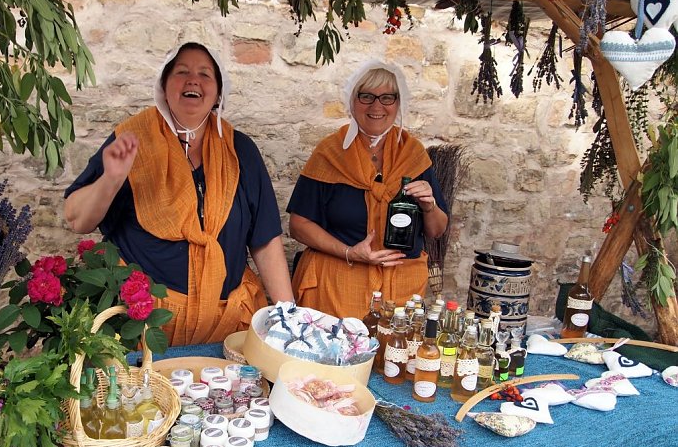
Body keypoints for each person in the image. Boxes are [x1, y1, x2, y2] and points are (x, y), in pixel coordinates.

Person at [64, 42, 294, 345]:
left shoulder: (240, 151)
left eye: (205, 74)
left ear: (217, 92)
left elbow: (264, 241)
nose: (193, 80)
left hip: (226, 328)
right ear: (164, 85)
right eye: (181, 72)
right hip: (144, 328)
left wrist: (289, 321)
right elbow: (77, 219)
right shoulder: (132, 140)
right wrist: (112, 178)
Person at [287, 59, 448, 319]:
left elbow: (437, 230)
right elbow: (299, 224)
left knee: (395, 356)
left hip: (401, 291)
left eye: (387, 98)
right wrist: (351, 252)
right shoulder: (330, 153)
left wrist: (429, 206)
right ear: (352, 101)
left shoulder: (413, 155)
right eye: (366, 96)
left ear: (398, 103)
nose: (377, 106)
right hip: (337, 288)